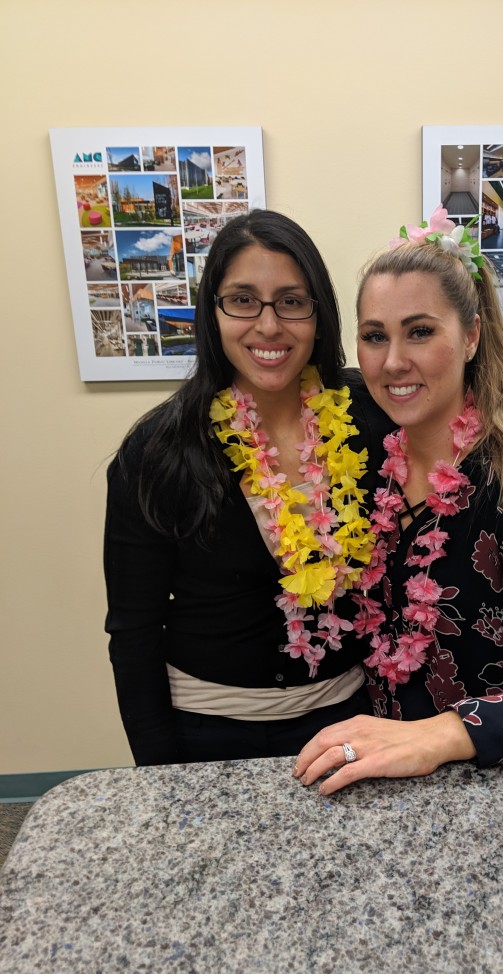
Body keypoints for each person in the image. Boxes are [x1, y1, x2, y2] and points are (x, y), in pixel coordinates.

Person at [294, 206, 503, 794]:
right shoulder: (369, 462)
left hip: (495, 786)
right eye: (375, 336)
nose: (393, 361)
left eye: (420, 331)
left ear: (471, 334)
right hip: (385, 782)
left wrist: (436, 737)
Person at [105, 209, 391, 766]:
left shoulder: (370, 416)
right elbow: (133, 632)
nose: (268, 326)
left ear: (318, 313)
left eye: (291, 301)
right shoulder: (157, 450)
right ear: (212, 310)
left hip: (351, 720)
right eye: (242, 299)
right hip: (207, 731)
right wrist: (160, 773)